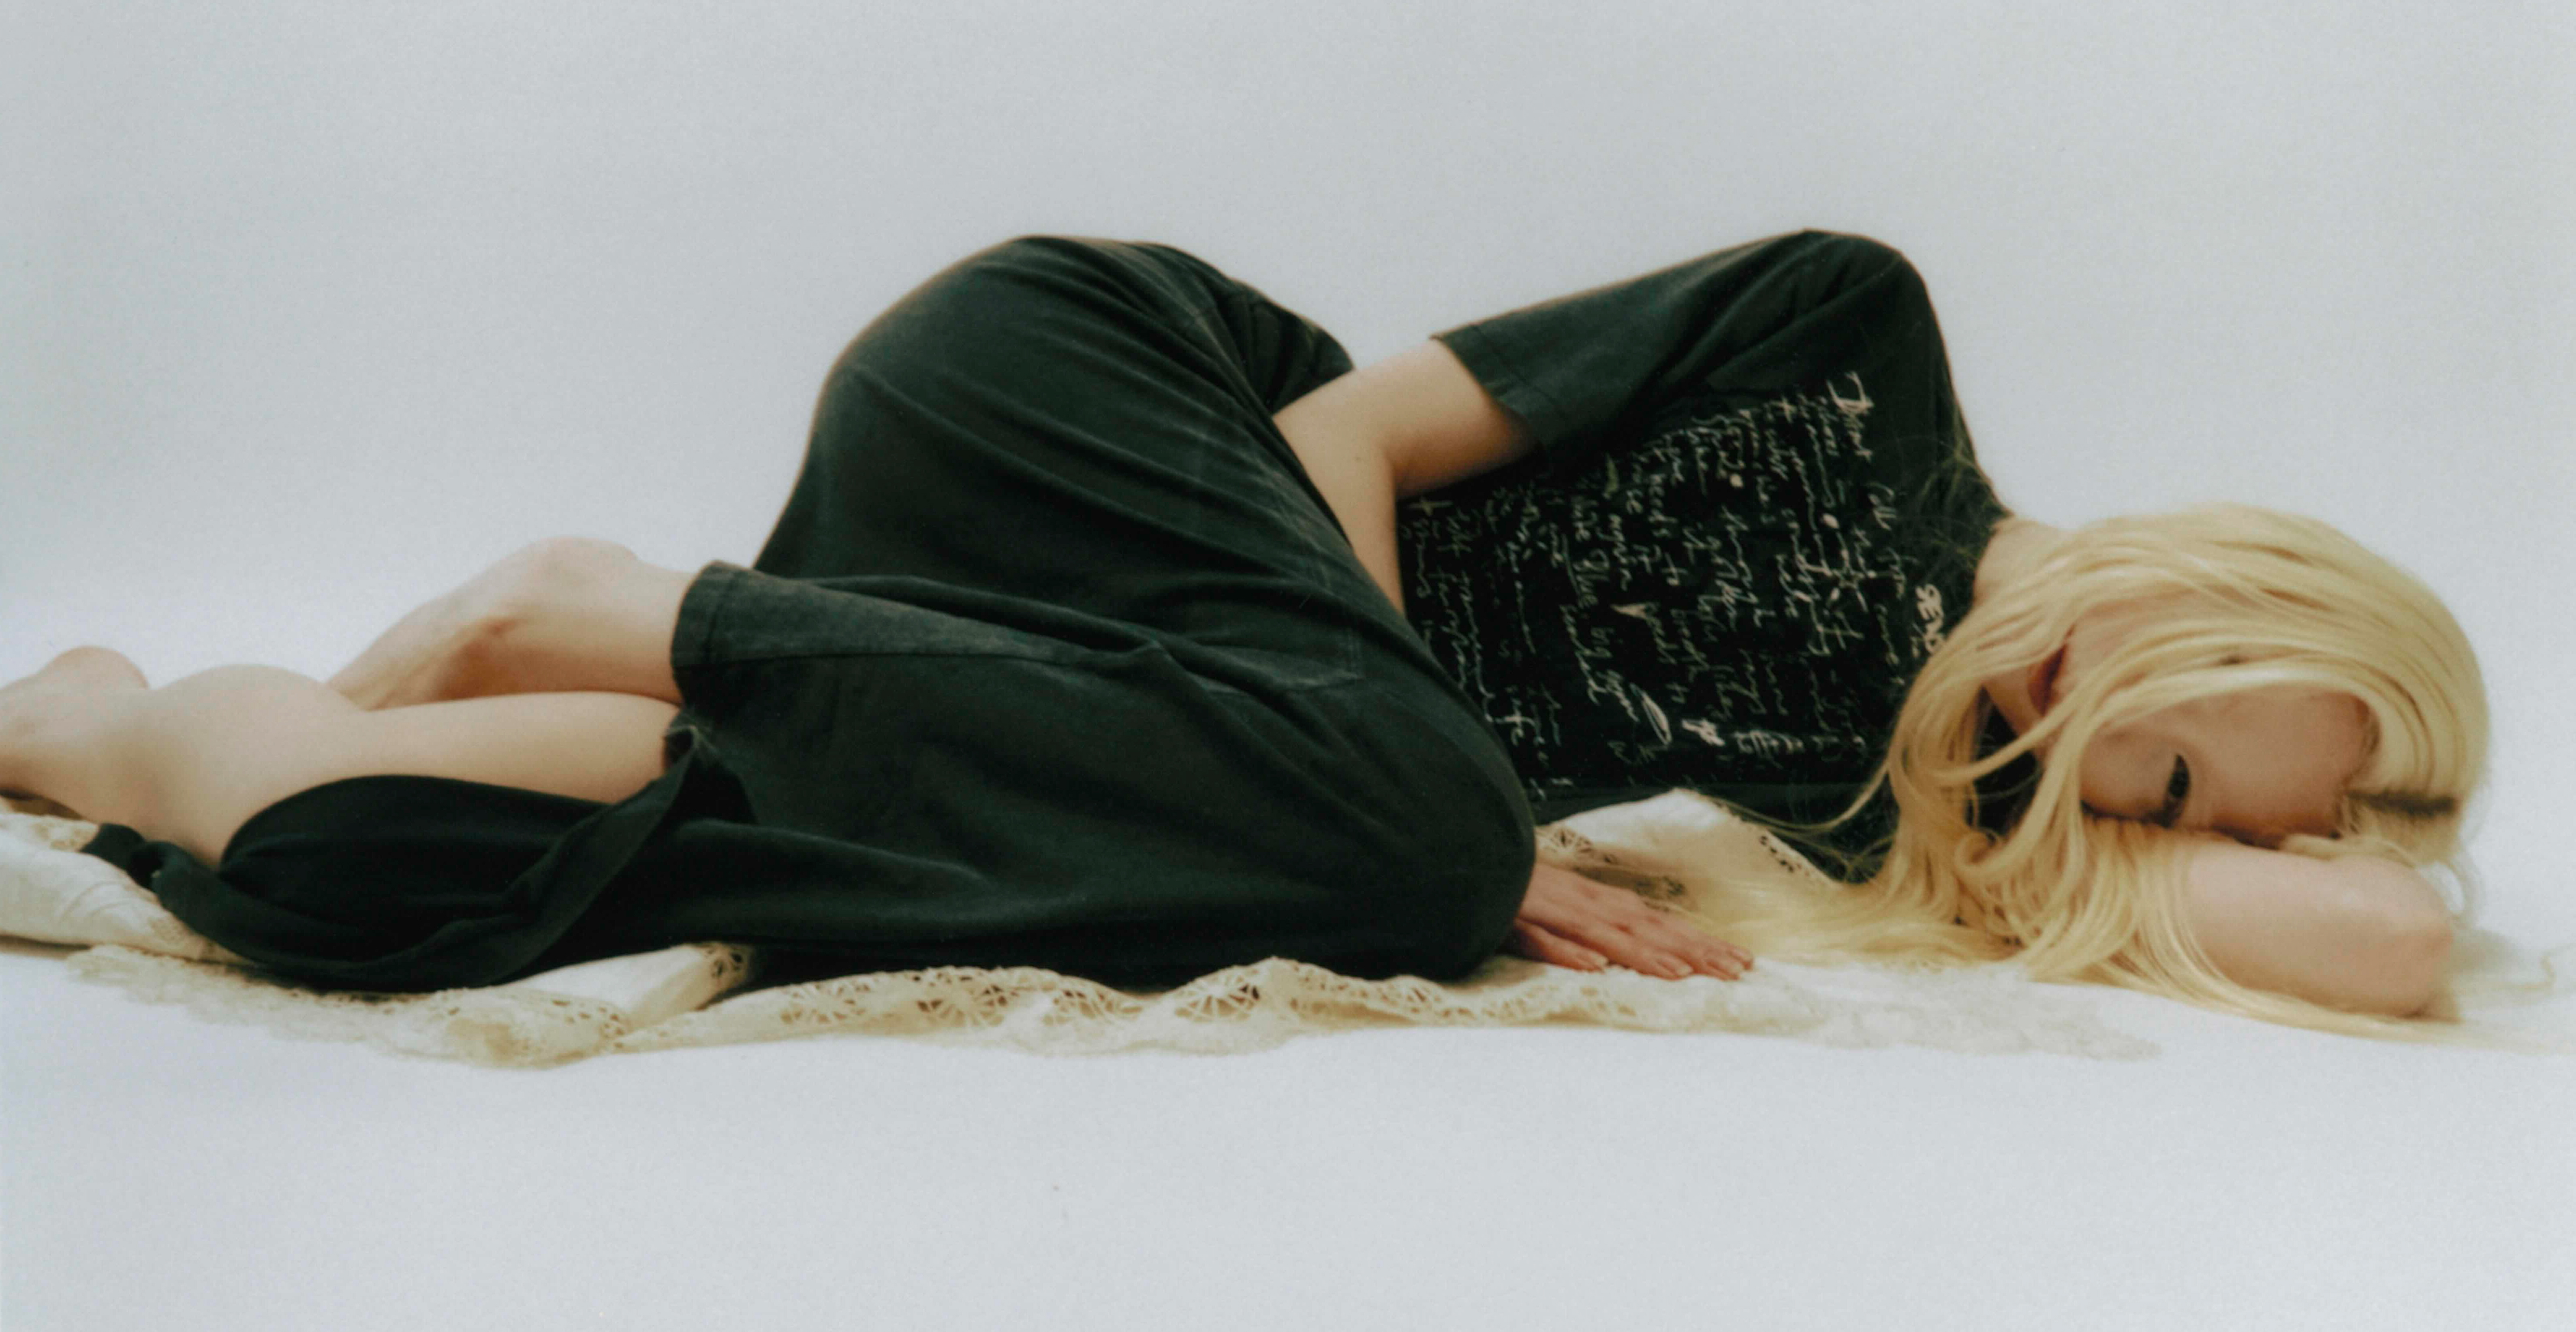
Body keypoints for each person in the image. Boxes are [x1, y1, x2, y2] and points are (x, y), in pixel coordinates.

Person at [0, 231, 2485, 1034]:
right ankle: (619, 606)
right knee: (1408, 844)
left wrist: (2362, 813)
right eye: (2174, 679)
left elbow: (2380, 941)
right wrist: (1435, 798)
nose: (2099, 736)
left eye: (2164, 796)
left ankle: (95, 727)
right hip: (1093, 417)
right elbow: (1348, 437)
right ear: (2209, 567)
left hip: (1054, 694)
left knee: (383, 869)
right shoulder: (1849, 332)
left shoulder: (1901, 815)